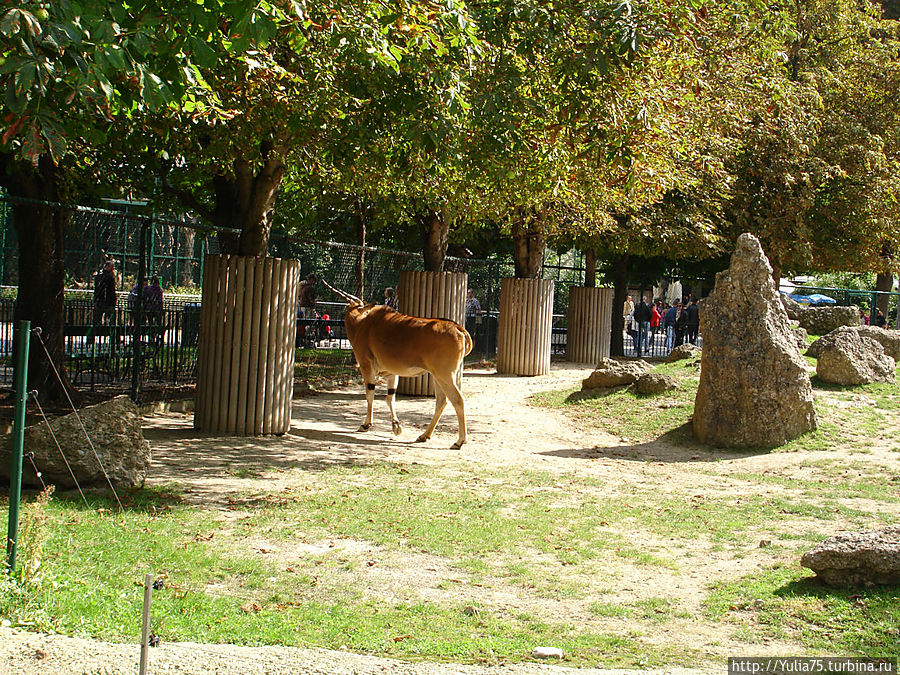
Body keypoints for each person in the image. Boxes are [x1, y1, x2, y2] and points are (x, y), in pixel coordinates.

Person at [93, 259, 117, 328]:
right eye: (112, 267)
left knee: (98, 319)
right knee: (110, 319)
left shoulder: (98, 277)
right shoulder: (110, 278)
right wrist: (113, 301)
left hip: (99, 300)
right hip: (108, 301)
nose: (113, 269)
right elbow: (111, 291)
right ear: (108, 267)